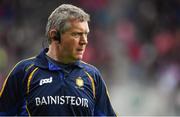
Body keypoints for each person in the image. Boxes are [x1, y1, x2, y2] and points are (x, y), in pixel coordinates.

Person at [0, 4, 116, 116]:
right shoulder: (24, 72)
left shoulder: (92, 76)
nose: (84, 41)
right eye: (76, 34)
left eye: (86, 34)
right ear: (54, 35)